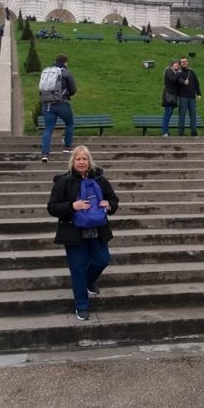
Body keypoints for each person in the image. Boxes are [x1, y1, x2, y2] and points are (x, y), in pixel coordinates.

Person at [47, 146, 119, 321]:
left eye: (84, 159)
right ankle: (81, 306)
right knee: (78, 269)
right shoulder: (63, 182)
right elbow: (52, 207)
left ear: (89, 161)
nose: (81, 162)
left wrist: (109, 204)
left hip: (97, 230)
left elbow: (114, 200)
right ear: (72, 162)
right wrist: (72, 206)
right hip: (73, 232)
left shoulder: (100, 180)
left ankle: (89, 281)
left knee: (102, 260)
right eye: (78, 159)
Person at [40, 53, 77, 162]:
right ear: (65, 62)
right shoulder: (66, 73)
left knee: (48, 129)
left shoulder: (47, 71)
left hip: (47, 104)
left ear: (55, 61)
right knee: (69, 123)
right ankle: (67, 147)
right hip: (61, 103)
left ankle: (45, 154)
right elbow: (73, 89)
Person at [177, 57, 201, 136]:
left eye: (186, 61)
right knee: (182, 114)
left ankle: (193, 131)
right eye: (183, 62)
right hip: (183, 97)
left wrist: (198, 94)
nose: (184, 62)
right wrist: (184, 82)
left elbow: (196, 83)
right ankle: (181, 131)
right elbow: (179, 80)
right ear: (180, 64)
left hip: (192, 97)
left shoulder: (191, 71)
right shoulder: (179, 72)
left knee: (193, 114)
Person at [161, 59, 180, 137]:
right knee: (167, 112)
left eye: (178, 64)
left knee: (169, 113)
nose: (177, 65)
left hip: (173, 95)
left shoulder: (175, 73)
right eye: (175, 63)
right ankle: (164, 131)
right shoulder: (169, 71)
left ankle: (166, 130)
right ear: (172, 65)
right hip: (168, 95)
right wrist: (178, 74)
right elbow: (172, 80)